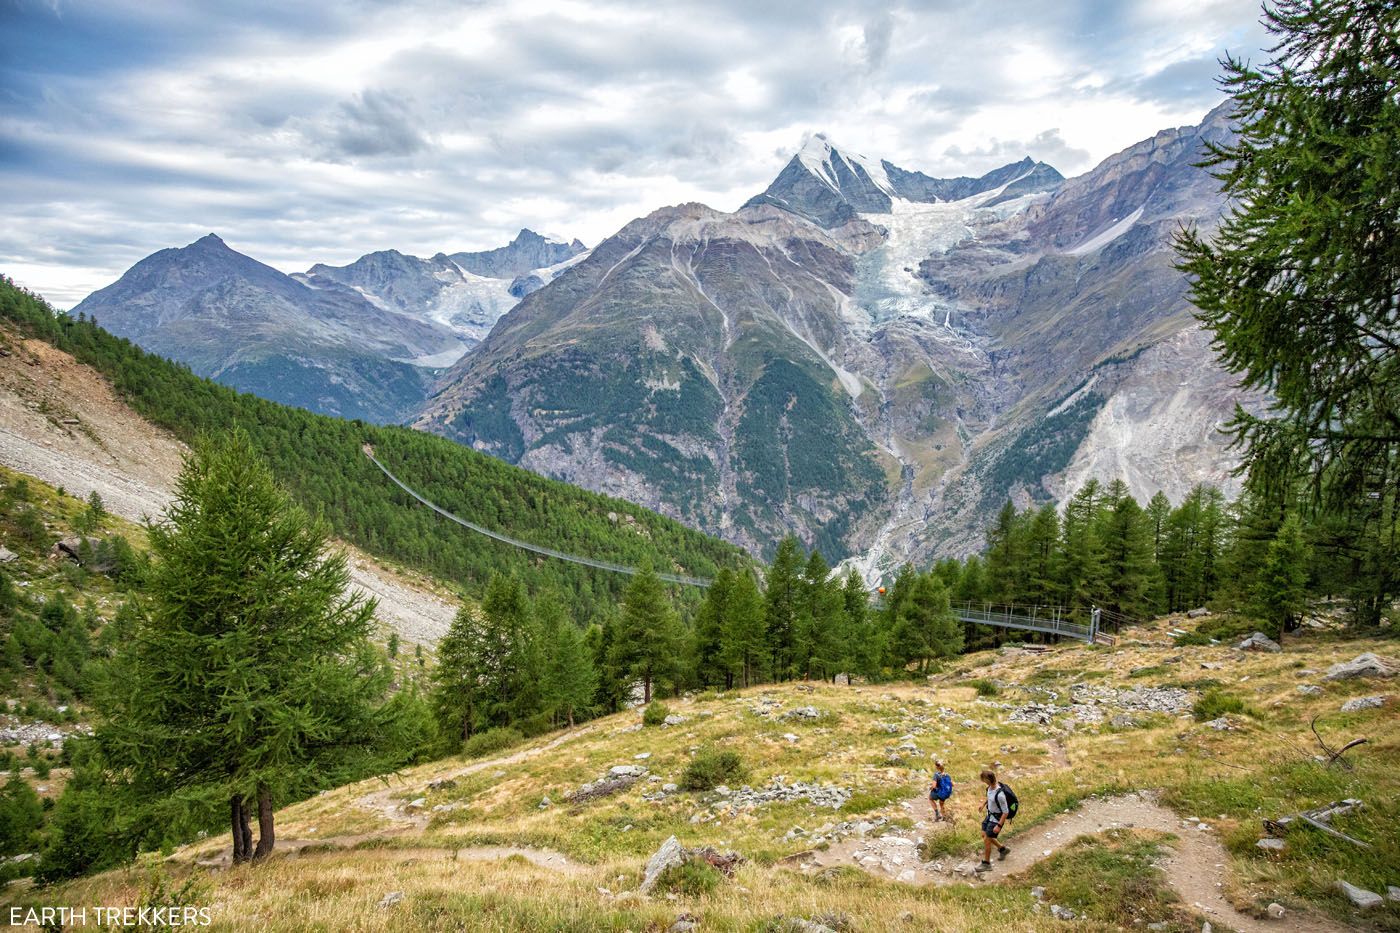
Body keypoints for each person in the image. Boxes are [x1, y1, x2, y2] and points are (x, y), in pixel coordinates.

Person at [974, 769, 1010, 872]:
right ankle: (1003, 849)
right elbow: (990, 797)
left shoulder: (1000, 795)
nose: (983, 782)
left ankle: (987, 864)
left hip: (997, 819)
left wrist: (999, 825)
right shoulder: (989, 788)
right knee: (983, 834)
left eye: (983, 780)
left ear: (988, 780)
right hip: (989, 815)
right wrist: (983, 804)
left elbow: (1005, 812)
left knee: (987, 840)